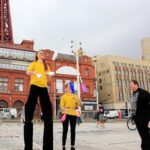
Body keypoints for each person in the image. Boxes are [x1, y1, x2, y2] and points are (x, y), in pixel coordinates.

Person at [24, 50, 53, 150]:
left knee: (47, 108)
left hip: (43, 87)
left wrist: (50, 74)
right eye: (40, 53)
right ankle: (27, 118)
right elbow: (27, 72)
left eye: (43, 53)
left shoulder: (46, 66)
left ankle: (48, 145)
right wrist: (34, 73)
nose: (42, 54)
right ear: (37, 55)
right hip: (34, 86)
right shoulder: (34, 63)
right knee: (30, 105)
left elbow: (48, 78)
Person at [130, 80, 150, 150]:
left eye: (131, 85)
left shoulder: (143, 93)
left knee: (145, 135)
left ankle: (145, 147)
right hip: (137, 118)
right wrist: (133, 116)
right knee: (142, 134)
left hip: (144, 118)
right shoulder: (134, 93)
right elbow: (134, 106)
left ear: (136, 84)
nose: (130, 87)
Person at [60, 83, 81, 150]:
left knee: (73, 130)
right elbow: (61, 106)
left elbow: (80, 104)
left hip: (73, 114)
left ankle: (72, 145)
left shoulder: (75, 96)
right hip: (65, 113)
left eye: (70, 87)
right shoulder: (63, 96)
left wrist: (78, 98)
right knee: (65, 130)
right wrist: (64, 109)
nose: (69, 88)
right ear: (65, 88)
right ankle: (63, 146)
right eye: (68, 87)